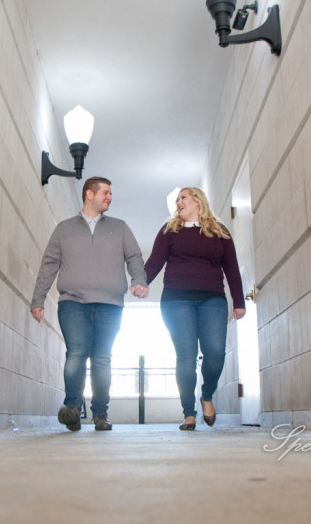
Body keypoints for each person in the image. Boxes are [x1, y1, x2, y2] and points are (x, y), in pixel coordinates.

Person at [31, 176, 149, 432]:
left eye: (110, 193)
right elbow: (49, 265)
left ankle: (100, 415)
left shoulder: (119, 227)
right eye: (105, 192)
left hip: (110, 304)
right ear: (89, 195)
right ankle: (72, 408)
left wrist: (139, 280)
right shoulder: (64, 229)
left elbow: (134, 257)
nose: (109, 197)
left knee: (102, 358)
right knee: (76, 352)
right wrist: (38, 299)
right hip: (73, 302)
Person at [145, 187, 245, 431]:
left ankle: (207, 394)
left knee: (215, 352)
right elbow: (154, 262)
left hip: (212, 299)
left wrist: (239, 301)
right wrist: (140, 282)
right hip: (176, 300)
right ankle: (189, 412)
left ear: (198, 201)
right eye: (177, 199)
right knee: (186, 357)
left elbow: (231, 267)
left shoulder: (219, 232)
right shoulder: (170, 231)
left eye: (183, 198)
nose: (178, 202)